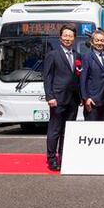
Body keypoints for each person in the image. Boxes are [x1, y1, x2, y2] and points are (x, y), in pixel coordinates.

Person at [43, 25, 81, 171]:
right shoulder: (52, 55)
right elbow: (47, 77)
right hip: (57, 99)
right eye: (65, 36)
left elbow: (77, 77)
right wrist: (50, 96)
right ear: (60, 38)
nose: (68, 38)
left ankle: (64, 157)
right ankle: (52, 159)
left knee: (67, 131)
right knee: (55, 130)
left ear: (74, 38)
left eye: (70, 36)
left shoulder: (78, 56)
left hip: (73, 99)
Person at [79, 29, 104, 121]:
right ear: (92, 42)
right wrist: (86, 98)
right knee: (92, 128)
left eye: (102, 40)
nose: (99, 43)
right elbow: (83, 80)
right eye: (97, 40)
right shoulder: (86, 57)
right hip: (92, 101)